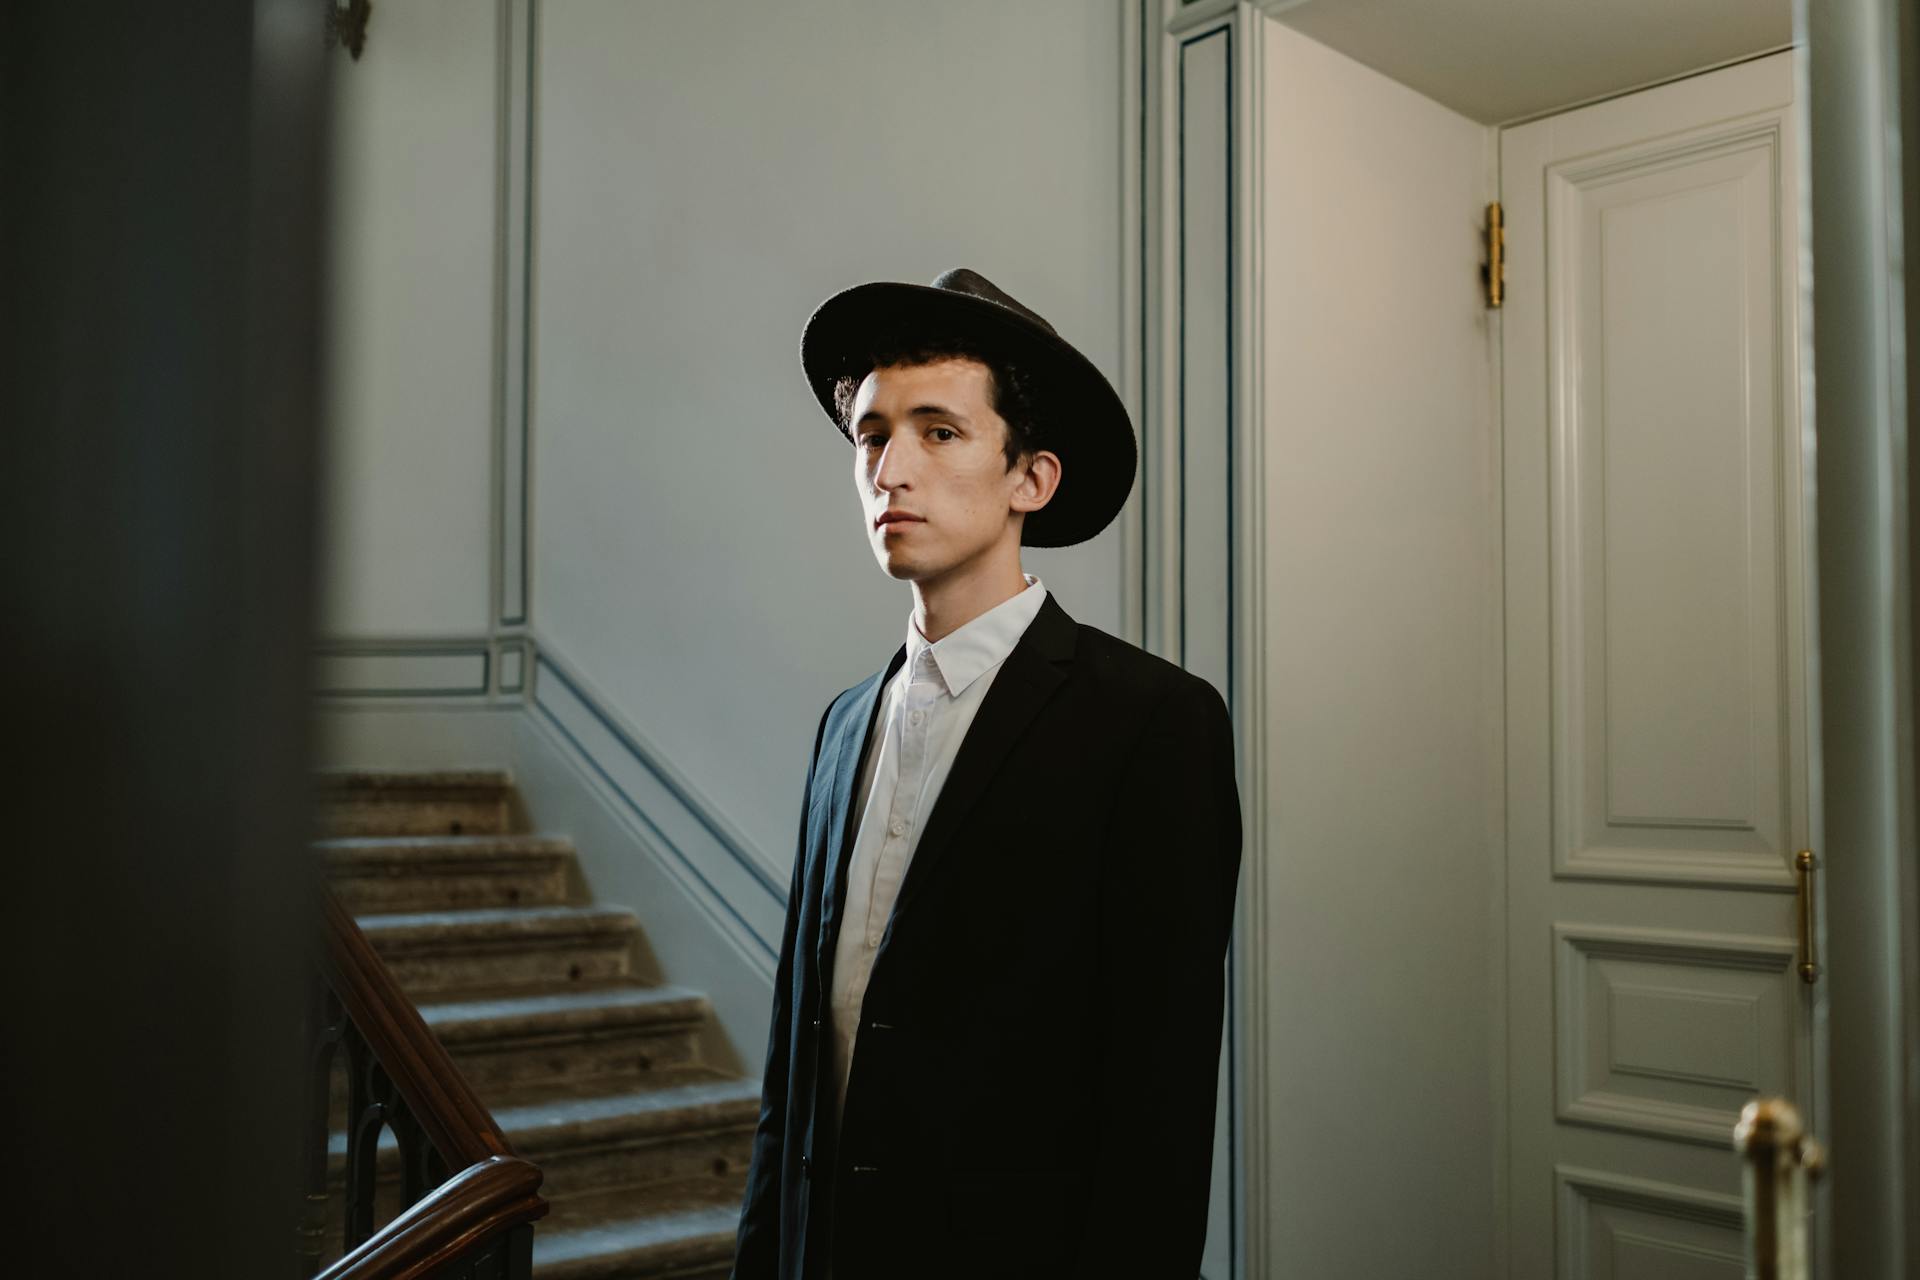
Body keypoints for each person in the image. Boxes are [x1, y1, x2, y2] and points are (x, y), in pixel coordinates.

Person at [730, 268, 1243, 1280]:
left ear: (1031, 478)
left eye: (939, 431)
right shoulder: (844, 725)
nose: (890, 469)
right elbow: (794, 1077)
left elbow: (1158, 1111)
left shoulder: (1151, 722)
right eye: (873, 435)